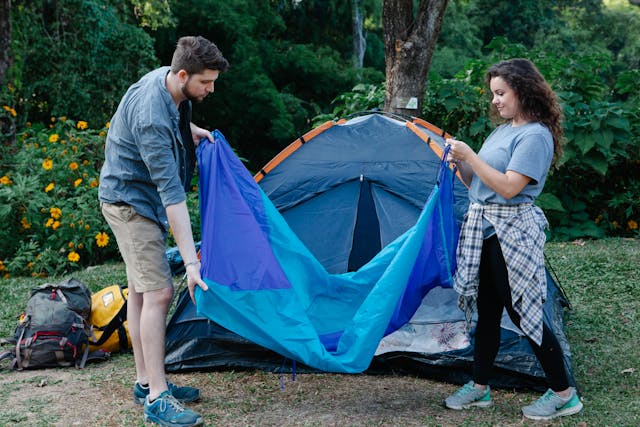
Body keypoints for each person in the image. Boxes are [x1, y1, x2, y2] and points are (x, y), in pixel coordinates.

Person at [442, 58, 583, 421]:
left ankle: (565, 394)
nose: (495, 101)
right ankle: (479, 386)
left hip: (512, 231)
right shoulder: (503, 131)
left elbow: (508, 187)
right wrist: (458, 162)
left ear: (522, 90)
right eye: (493, 94)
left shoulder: (535, 135)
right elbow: (477, 184)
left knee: (523, 311)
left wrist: (471, 154)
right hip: (485, 229)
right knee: (487, 312)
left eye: (501, 93)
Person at [98, 36, 229, 427]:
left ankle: (145, 382)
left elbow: (175, 122)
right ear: (184, 74)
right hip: (129, 204)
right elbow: (173, 197)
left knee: (141, 290)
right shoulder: (152, 114)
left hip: (141, 199)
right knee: (160, 292)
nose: (210, 89)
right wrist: (192, 262)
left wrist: (192, 131)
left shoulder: (172, 86)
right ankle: (157, 398)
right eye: (206, 82)